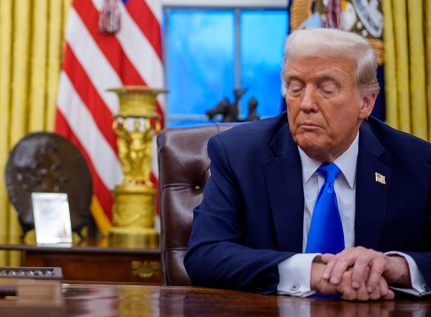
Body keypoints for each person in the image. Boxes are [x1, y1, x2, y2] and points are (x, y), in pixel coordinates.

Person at [184, 28, 431, 301]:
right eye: (295, 86)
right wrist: (312, 273)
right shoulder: (239, 156)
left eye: (326, 89)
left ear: (366, 103)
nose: (306, 104)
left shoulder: (418, 164)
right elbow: (205, 255)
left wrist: (396, 267)